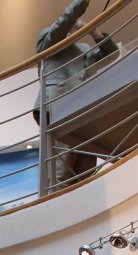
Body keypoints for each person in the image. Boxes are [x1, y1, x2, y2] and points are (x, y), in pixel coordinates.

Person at [34, 0, 119, 187]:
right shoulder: (48, 39)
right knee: (61, 169)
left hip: (85, 111)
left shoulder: (84, 49)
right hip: (59, 105)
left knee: (84, 172)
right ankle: (54, 207)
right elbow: (64, 21)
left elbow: (112, 54)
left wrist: (90, 30)